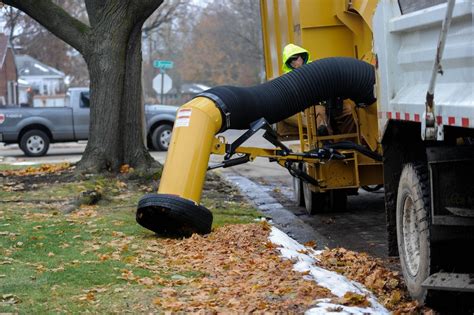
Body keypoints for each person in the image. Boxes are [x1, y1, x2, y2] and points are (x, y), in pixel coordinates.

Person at [282, 43, 356, 137]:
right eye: (291, 60)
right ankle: (327, 142)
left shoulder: (315, 68)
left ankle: (348, 141)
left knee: (349, 109)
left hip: (330, 100)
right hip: (311, 105)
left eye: (296, 58)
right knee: (320, 114)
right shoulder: (288, 78)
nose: (295, 62)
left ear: (302, 57)